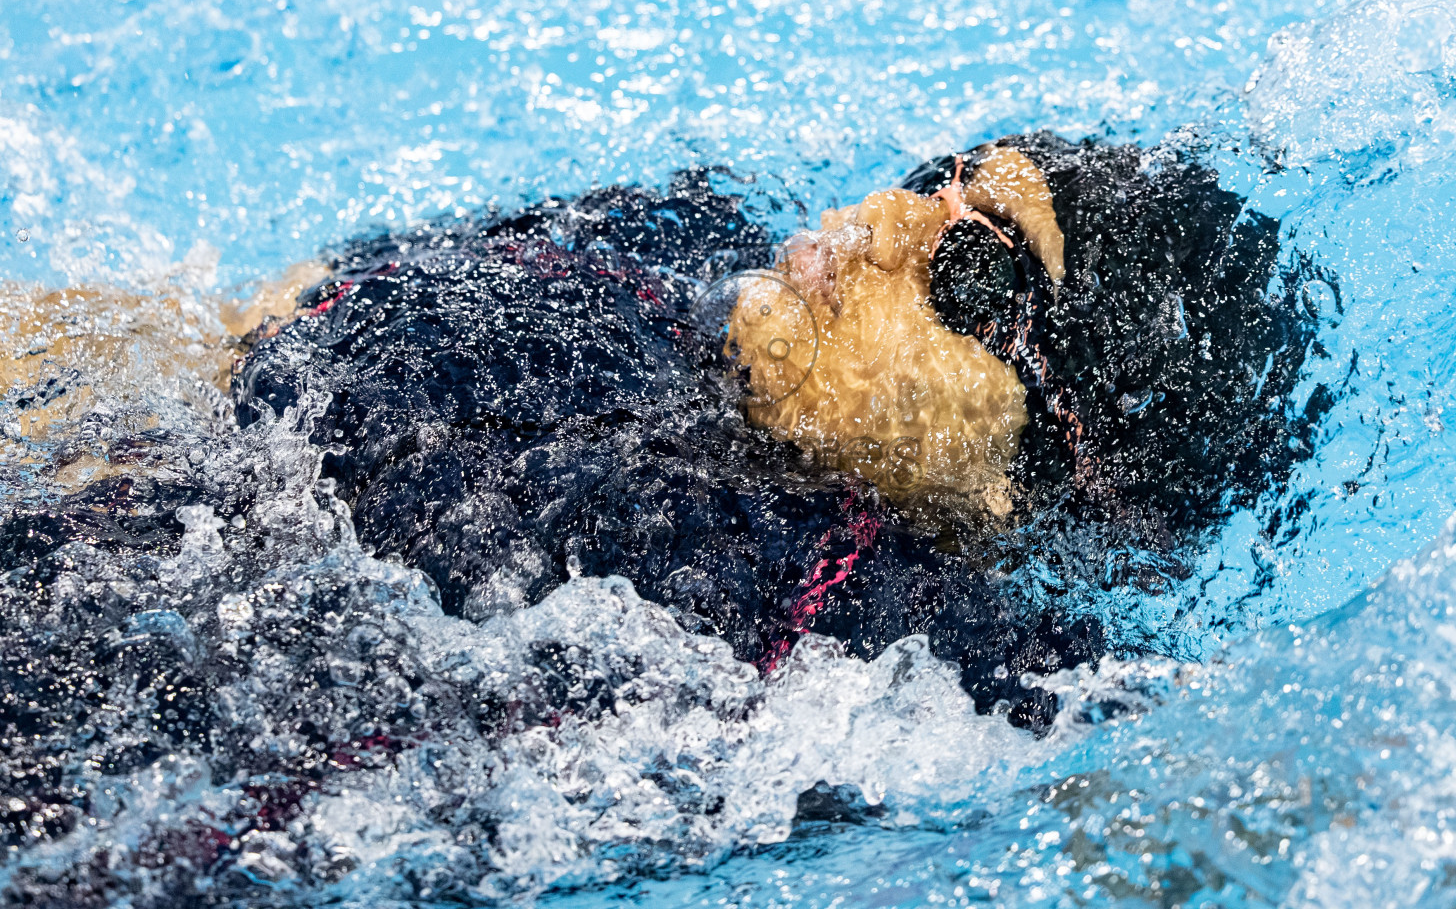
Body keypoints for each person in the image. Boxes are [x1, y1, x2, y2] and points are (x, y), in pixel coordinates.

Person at [219, 131, 1327, 730]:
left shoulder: (897, 658)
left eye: (973, 261)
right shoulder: (676, 224)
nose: (875, 227)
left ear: (1042, 474)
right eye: (933, 182)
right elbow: (226, 317)